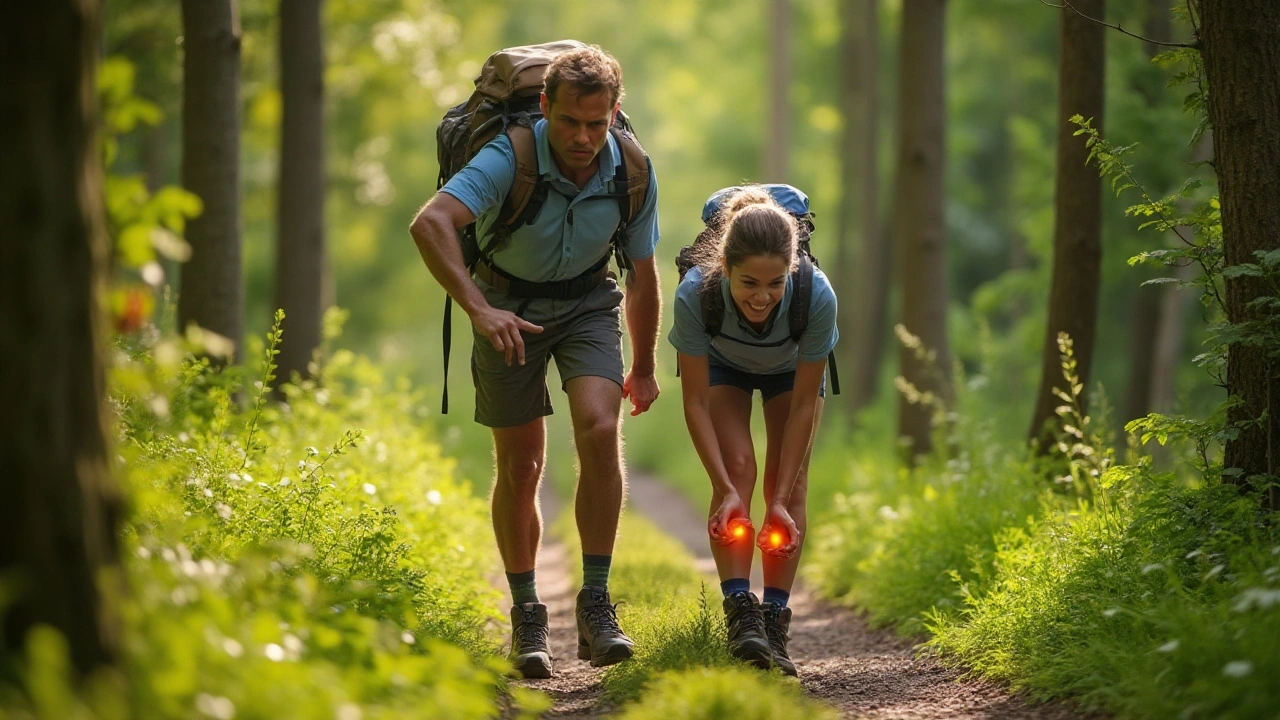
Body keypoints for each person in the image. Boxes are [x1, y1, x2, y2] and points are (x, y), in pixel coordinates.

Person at [409, 45, 661, 679]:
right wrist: (478, 310)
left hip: (587, 304)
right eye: (571, 121)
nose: (582, 137)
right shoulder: (507, 156)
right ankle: (527, 614)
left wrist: (647, 364)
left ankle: (597, 604)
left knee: (601, 429)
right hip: (505, 307)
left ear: (614, 113)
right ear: (545, 107)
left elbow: (644, 274)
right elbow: (431, 223)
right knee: (521, 464)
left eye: (597, 123)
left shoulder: (630, 167)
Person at [668, 186, 837, 677]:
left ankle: (775, 620)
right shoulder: (696, 292)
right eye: (748, 283)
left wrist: (780, 500)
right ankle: (740, 614)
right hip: (724, 366)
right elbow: (695, 401)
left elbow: (806, 402)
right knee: (739, 468)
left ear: (791, 271)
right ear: (724, 266)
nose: (762, 297)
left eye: (775, 283)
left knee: (790, 479)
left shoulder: (816, 293)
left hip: (791, 371)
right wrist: (722, 488)